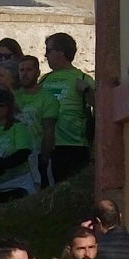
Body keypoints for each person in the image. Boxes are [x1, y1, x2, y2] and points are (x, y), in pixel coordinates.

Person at [37, 32, 95, 184]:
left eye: (48, 50)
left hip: (74, 146)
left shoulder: (82, 78)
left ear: (61, 52)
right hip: (47, 146)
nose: (45, 55)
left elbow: (100, 104)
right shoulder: (44, 79)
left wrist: (87, 91)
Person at [0, 88, 37, 201]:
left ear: (9, 108)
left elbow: (23, 153)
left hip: (18, 183)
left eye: (1, 105)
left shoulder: (18, 127)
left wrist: (1, 165)